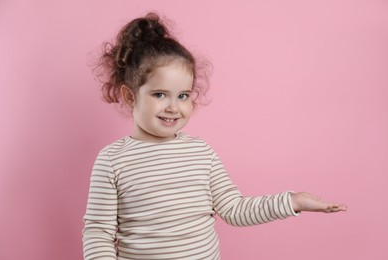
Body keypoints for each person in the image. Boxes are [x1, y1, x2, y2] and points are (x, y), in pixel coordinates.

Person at [82, 13, 347, 260]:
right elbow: (98, 234)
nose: (174, 107)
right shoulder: (113, 160)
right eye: (160, 94)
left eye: (183, 95)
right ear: (130, 96)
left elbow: (235, 209)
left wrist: (293, 201)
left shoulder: (201, 153)